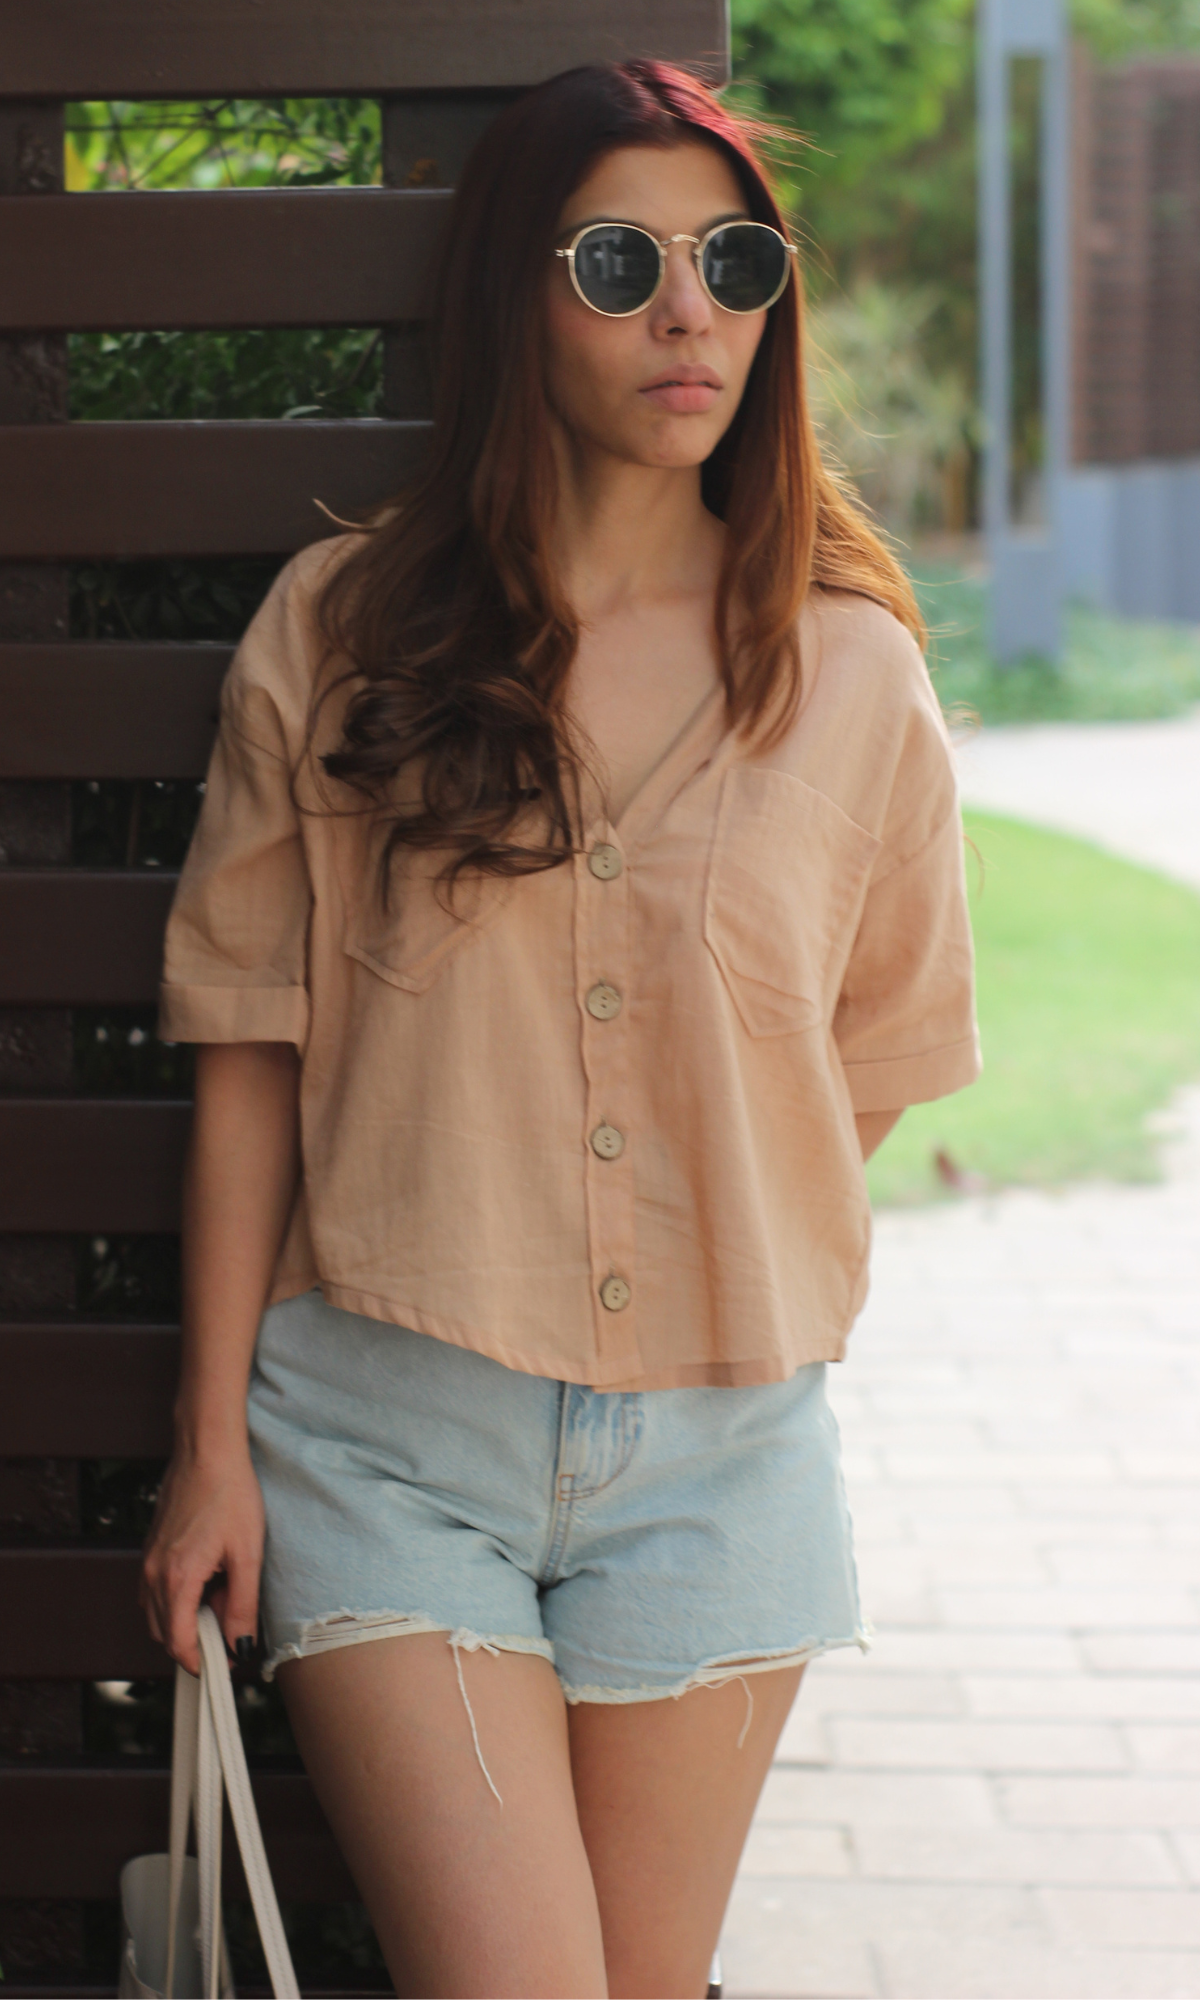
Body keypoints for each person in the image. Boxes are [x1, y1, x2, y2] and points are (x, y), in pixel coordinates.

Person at [141, 59, 980, 2000]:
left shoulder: (854, 675)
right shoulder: (342, 633)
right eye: (621, 262)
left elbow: (853, 1067)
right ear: (516, 294)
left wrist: (684, 1261)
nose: (692, 313)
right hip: (387, 1439)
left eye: (734, 263)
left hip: (724, 1463)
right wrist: (212, 1450)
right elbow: (251, 1047)